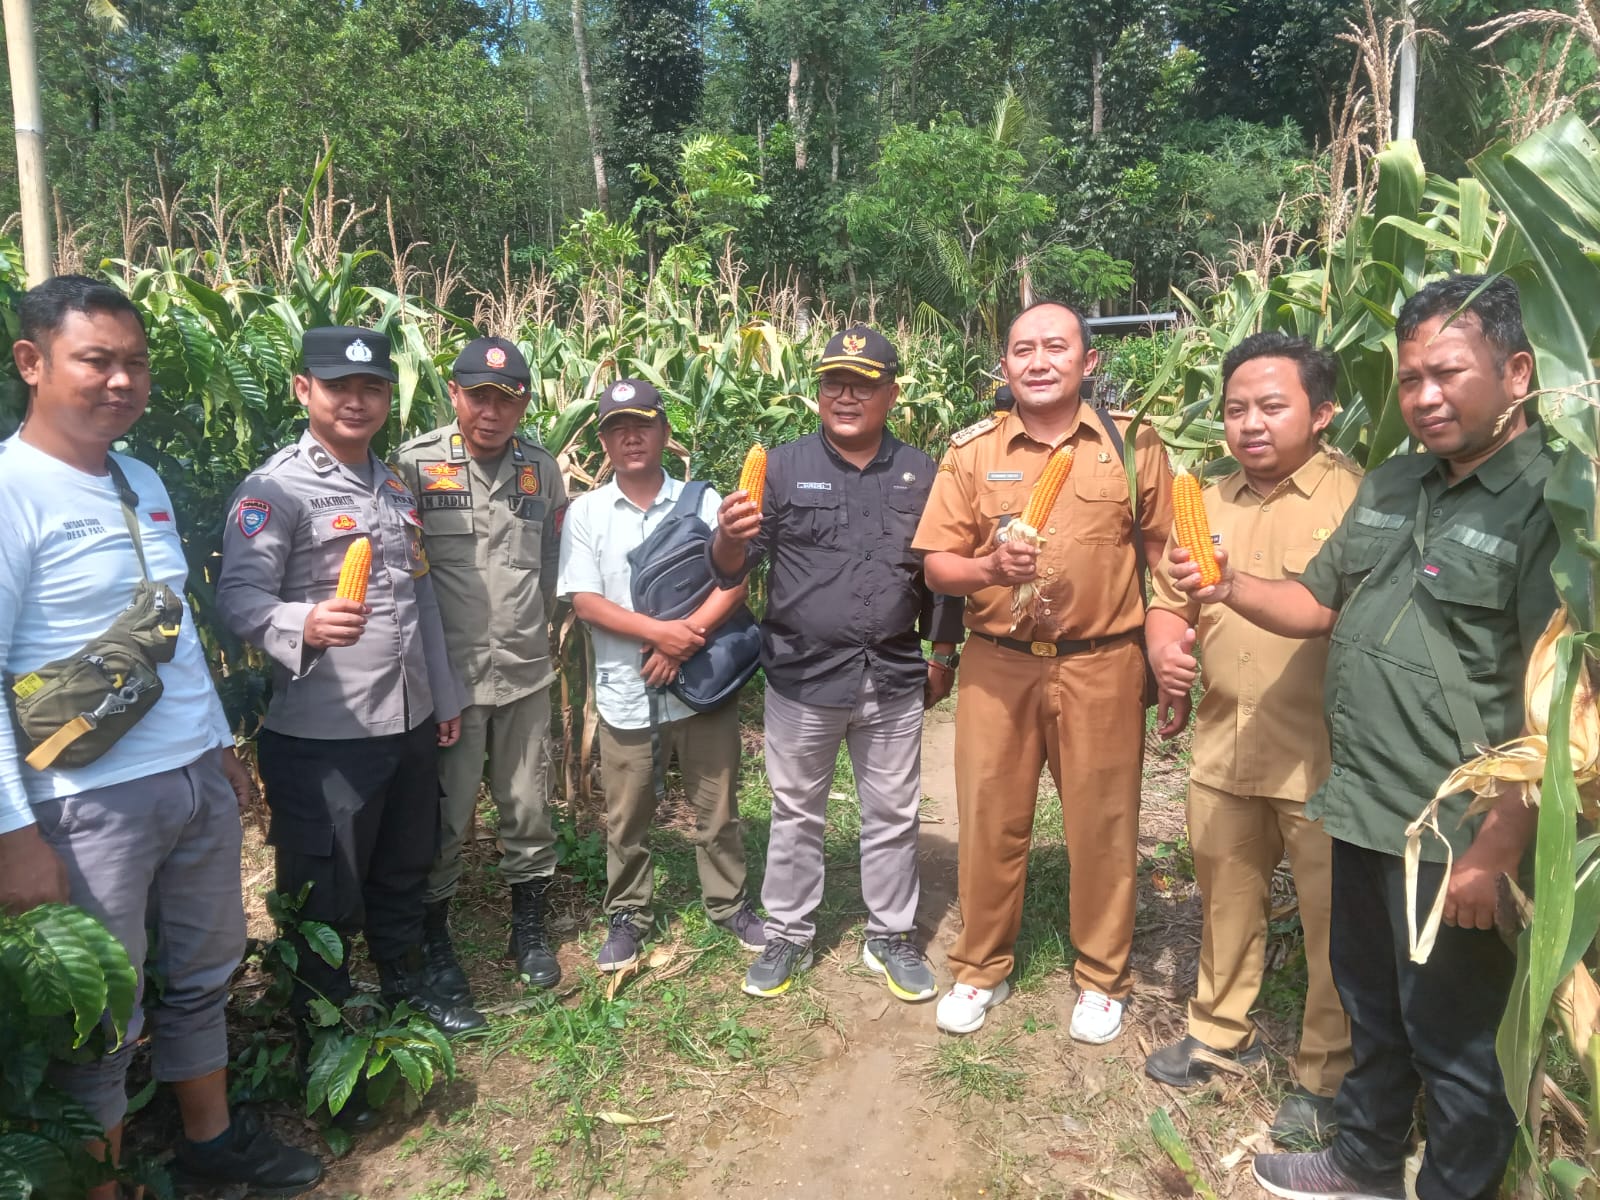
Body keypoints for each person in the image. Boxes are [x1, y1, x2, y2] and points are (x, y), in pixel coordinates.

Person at [1168, 275, 1554, 1200]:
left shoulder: (1550, 505)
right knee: (1376, 1014)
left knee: (1456, 1041)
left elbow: (1563, 701)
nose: (1423, 397)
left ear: (1518, 373)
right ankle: (1364, 1162)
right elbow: (1315, 599)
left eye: (1448, 374)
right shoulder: (1391, 481)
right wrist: (1225, 588)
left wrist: (1498, 844)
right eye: (1411, 377)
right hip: (1361, 801)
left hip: (1454, 825)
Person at [0, 275, 321, 1196]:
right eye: (96, 360)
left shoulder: (140, 480)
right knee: (101, 1011)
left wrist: (222, 750)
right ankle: (97, 1182)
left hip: (188, 776)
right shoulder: (13, 493)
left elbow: (170, 635)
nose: (120, 381)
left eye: (134, 363)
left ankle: (209, 1143)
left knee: (203, 972)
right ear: (33, 362)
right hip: (81, 800)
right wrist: (15, 836)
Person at [217, 325, 485, 1050]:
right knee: (325, 898)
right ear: (305, 389)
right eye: (339, 387)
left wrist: (444, 697)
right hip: (325, 737)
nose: (357, 402)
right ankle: (323, 1033)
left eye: (372, 388)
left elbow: (421, 599)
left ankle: (405, 990)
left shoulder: (394, 484)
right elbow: (237, 600)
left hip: (408, 721)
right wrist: (304, 620)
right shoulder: (275, 489)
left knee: (404, 868)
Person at [913, 299, 1174, 1041]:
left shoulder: (1133, 446)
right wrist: (989, 565)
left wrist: (1169, 640)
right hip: (1000, 664)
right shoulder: (971, 451)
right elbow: (937, 566)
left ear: (1089, 363)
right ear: (1005, 366)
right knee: (991, 817)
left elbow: (1164, 556)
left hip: (1103, 663)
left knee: (1103, 822)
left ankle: (1101, 976)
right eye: (1022, 348)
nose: (1038, 360)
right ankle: (981, 965)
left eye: (1055, 347)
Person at [1141, 332, 1357, 1144]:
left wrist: (1230, 587)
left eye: (1272, 406)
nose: (1250, 424)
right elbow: (1169, 597)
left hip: (1325, 759)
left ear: (1323, 411)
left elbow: (1337, 612)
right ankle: (1216, 1031)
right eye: (1236, 409)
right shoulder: (1212, 500)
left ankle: (1323, 1076)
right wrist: (1164, 643)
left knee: (1334, 923)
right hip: (1225, 744)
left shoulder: (1357, 502)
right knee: (1225, 901)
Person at [709, 324, 966, 1001]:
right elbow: (735, 565)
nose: (845, 394)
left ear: (892, 393)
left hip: (891, 672)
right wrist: (728, 540)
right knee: (796, 810)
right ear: (817, 391)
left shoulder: (921, 472)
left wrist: (944, 652)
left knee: (893, 810)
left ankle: (889, 934)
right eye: (833, 382)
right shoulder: (784, 467)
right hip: (802, 674)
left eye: (862, 383)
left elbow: (940, 576)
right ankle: (789, 933)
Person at [557, 379, 765, 972]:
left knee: (717, 808)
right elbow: (585, 601)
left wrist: (682, 640)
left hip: (701, 689)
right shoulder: (587, 512)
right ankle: (628, 914)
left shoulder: (705, 502)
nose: (631, 437)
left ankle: (729, 904)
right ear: (603, 441)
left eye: (642, 424)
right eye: (617, 428)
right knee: (626, 816)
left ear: (664, 433)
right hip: (627, 692)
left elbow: (735, 583)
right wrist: (657, 634)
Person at [392, 338, 567, 1000]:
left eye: (507, 399)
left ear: (521, 405)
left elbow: (550, 566)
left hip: (524, 671)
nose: (491, 412)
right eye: (479, 396)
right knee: (446, 811)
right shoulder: (414, 466)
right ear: (454, 395)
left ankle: (529, 926)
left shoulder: (541, 472)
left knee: (528, 803)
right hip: (452, 684)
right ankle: (436, 936)